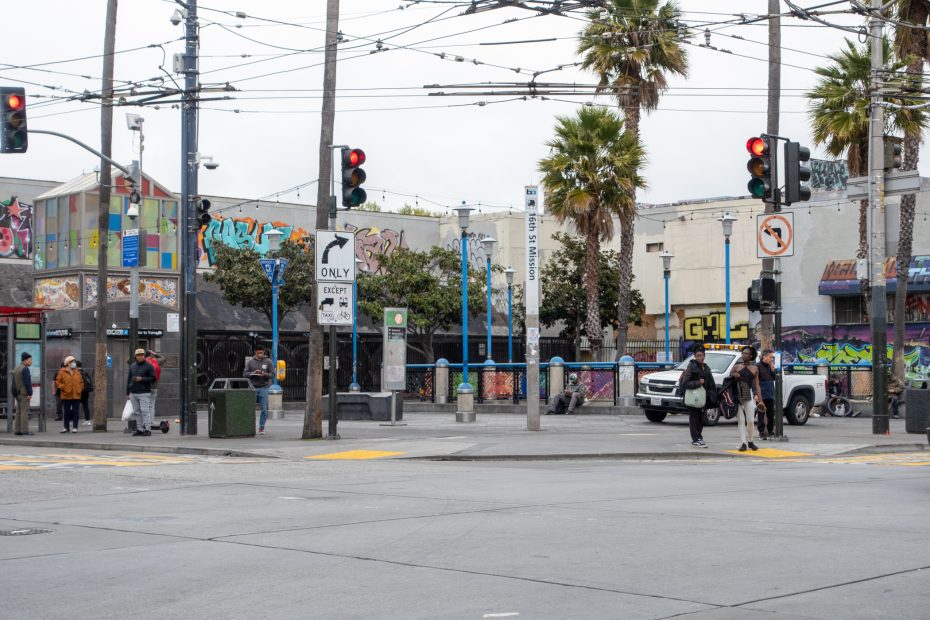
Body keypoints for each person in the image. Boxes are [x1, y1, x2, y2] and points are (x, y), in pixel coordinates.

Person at [681, 345, 716, 448]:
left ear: (704, 356)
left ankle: (699, 437)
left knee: (701, 418)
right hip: (693, 397)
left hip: (702, 398)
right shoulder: (691, 367)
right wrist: (698, 382)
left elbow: (711, 383)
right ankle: (695, 439)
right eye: (697, 356)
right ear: (695, 356)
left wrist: (713, 396)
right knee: (693, 418)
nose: (699, 358)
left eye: (701, 355)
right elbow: (685, 383)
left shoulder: (706, 367)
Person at [731, 345, 762, 452]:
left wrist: (761, 401)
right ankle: (743, 443)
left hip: (748, 394)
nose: (744, 355)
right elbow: (728, 382)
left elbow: (757, 386)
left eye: (747, 354)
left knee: (750, 420)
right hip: (737, 394)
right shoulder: (736, 367)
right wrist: (734, 376)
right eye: (743, 353)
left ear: (751, 356)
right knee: (741, 420)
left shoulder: (755, 369)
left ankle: (751, 441)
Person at [126, 348, 157, 436]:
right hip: (133, 392)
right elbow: (128, 379)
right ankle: (140, 429)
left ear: (144, 356)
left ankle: (147, 429)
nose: (140, 357)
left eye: (142, 355)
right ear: (135, 357)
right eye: (138, 355)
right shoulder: (132, 366)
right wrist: (128, 392)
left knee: (145, 411)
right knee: (136, 412)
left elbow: (153, 378)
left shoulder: (149, 366)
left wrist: (142, 379)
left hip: (144, 392)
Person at [244, 346, 273, 434]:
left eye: (261, 353)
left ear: (264, 352)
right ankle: (249, 427)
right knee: (250, 408)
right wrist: (253, 373)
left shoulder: (268, 362)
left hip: (264, 387)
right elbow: (245, 374)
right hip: (253, 387)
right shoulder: (250, 362)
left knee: (264, 409)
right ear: (255, 352)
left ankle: (261, 428)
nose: (259, 354)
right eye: (258, 353)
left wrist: (265, 374)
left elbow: (272, 374)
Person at [55, 355, 84, 433]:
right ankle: (66, 427)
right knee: (66, 412)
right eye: (72, 362)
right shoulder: (62, 372)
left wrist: (80, 388)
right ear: (68, 363)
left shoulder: (77, 372)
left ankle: (75, 427)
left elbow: (81, 381)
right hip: (66, 394)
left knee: (76, 412)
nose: (74, 363)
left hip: (76, 394)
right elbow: (57, 382)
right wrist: (62, 387)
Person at [756, 350, 777, 439]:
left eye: (772, 357)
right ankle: (761, 432)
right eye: (770, 357)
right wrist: (755, 394)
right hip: (761, 394)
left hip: (770, 393)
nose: (771, 359)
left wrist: (773, 371)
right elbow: (755, 382)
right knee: (761, 414)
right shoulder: (757, 366)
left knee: (770, 414)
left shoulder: (770, 366)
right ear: (764, 356)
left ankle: (770, 431)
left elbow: (774, 378)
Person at [12, 352, 34, 436]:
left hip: (17, 393)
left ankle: (17, 430)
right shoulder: (25, 369)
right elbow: (27, 382)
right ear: (25, 360)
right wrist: (30, 393)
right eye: (30, 360)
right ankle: (25, 430)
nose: (31, 361)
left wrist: (15, 393)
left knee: (18, 412)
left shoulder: (17, 368)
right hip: (24, 394)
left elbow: (14, 382)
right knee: (24, 412)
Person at [76, 360, 94, 426]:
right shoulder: (84, 371)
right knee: (85, 405)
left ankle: (75, 420)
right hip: (86, 390)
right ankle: (87, 420)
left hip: (79, 390)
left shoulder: (76, 372)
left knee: (76, 405)